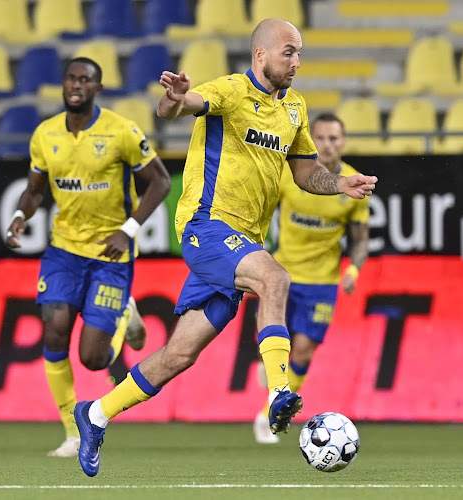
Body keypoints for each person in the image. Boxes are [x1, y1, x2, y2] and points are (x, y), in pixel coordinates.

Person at [72, 18, 377, 477]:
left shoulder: (294, 108)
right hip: (206, 226)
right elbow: (180, 106)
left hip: (241, 241)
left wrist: (339, 184)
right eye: (288, 52)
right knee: (274, 277)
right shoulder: (232, 91)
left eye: (299, 53)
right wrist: (175, 97)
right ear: (261, 55)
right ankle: (278, 391)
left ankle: (95, 414)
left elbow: (305, 173)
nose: (296, 61)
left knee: (180, 354)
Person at [5, 57, 171, 458]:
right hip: (63, 249)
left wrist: (127, 230)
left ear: (98, 88)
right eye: (71, 78)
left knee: (94, 360)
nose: (76, 84)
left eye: (86, 79)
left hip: (110, 254)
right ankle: (71, 432)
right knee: (54, 329)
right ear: (63, 85)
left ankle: (125, 316)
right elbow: (34, 190)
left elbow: (161, 182)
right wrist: (19, 216)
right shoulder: (45, 135)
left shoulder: (120, 131)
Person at [253, 113, 370, 444]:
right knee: (267, 337)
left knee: (303, 351)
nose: (327, 145)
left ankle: (267, 415)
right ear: (311, 141)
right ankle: (271, 368)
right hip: (283, 275)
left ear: (343, 142)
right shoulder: (292, 176)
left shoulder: (353, 185)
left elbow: (361, 239)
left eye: (334, 139)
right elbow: (263, 214)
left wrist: (353, 270)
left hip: (322, 282)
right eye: (320, 138)